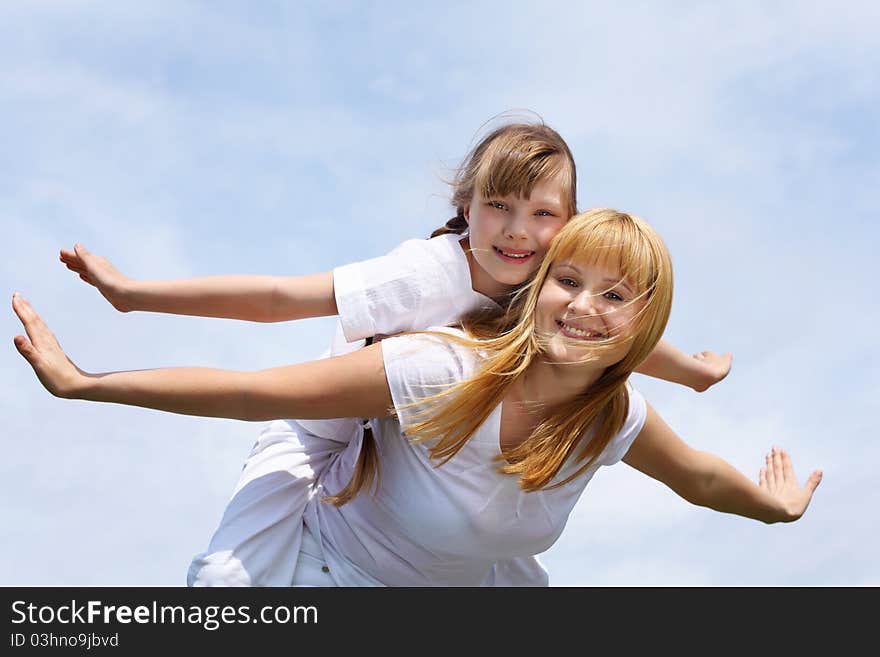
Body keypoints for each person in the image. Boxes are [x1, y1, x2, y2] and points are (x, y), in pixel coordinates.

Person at [55, 121, 732, 585]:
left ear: (569, 222)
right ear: (465, 206)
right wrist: (134, 293)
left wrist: (693, 371)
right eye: (499, 206)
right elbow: (277, 298)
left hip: (431, 447)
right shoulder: (426, 275)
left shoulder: (552, 282)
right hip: (326, 421)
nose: (520, 232)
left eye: (543, 215)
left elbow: (615, 338)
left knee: (506, 551)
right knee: (229, 576)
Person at [13, 208, 822, 586]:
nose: (582, 306)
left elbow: (702, 479)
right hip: (324, 572)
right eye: (567, 280)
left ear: (644, 323)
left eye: (614, 296)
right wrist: (87, 385)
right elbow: (252, 388)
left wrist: (772, 506)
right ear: (536, 284)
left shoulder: (611, 417)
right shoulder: (442, 367)